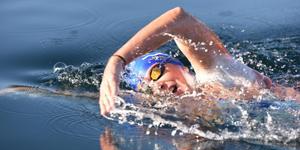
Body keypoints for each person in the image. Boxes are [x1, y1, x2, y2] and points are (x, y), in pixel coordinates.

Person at [99, 7, 299, 115]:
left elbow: (179, 19)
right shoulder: (192, 114)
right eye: (146, 85)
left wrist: (117, 61)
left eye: (154, 72)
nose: (156, 85)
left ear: (180, 67)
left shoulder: (215, 71)